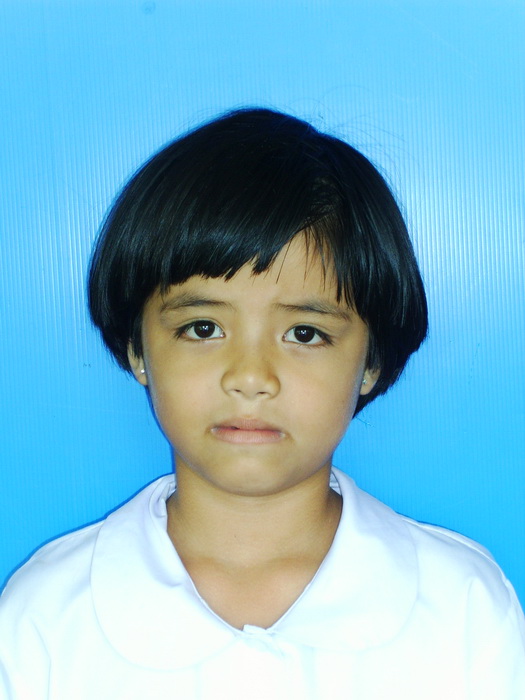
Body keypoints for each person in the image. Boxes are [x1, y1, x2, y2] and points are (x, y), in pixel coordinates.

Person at [0, 108, 523, 699]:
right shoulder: (46, 618)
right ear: (137, 349)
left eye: (304, 333)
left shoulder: (463, 610)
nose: (251, 377)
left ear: (371, 361)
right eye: (202, 328)